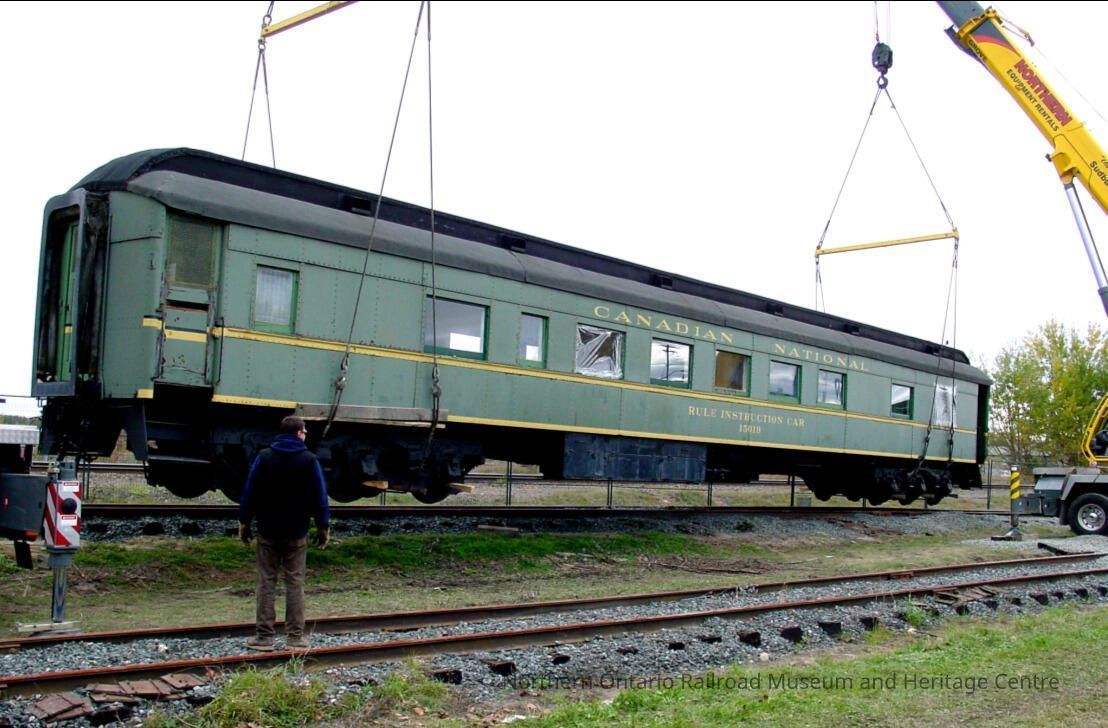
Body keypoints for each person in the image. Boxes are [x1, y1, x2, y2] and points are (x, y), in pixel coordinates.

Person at [238, 415, 330, 651]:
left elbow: (250, 491)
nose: (306, 435)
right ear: (298, 433)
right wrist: (323, 526)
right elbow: (320, 496)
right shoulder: (309, 460)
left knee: (266, 582)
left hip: (267, 530)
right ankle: (295, 638)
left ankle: (264, 637)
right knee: (295, 583)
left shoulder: (264, 457)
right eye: (305, 432)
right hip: (297, 531)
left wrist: (244, 522)